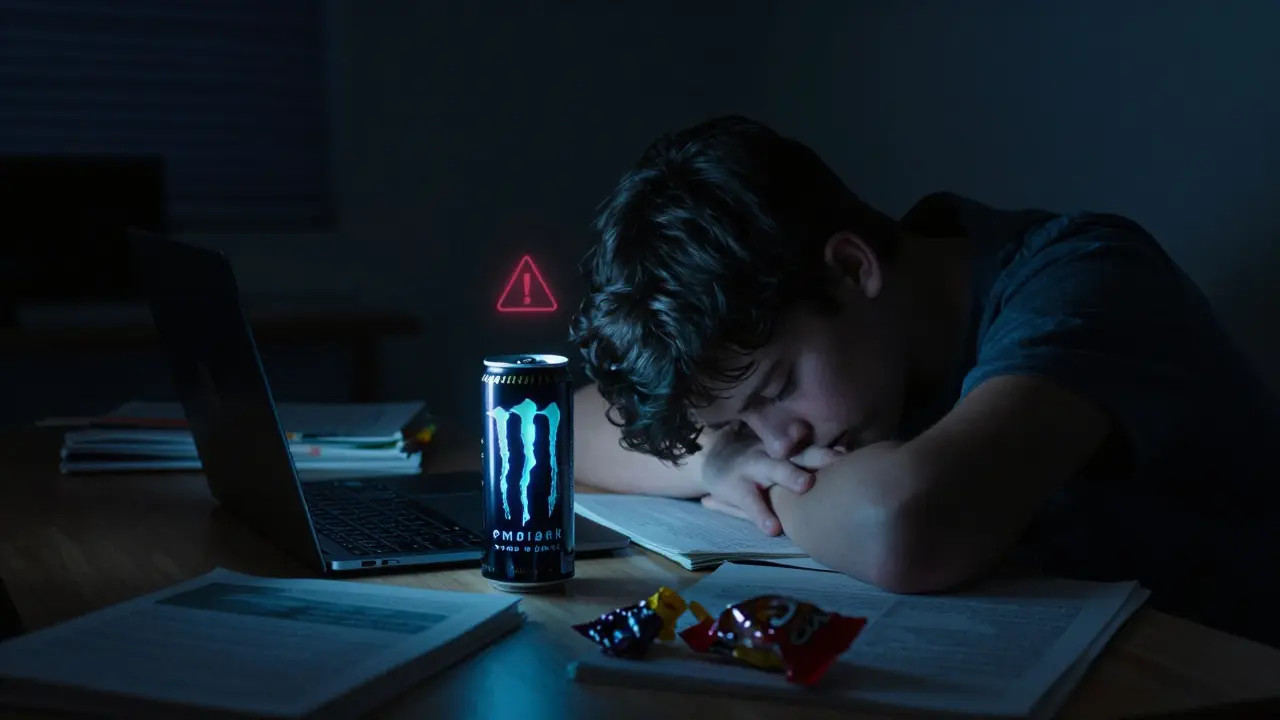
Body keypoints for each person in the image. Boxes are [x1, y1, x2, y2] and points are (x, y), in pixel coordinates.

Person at [567, 115, 1280, 647]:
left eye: (777, 390)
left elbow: (904, 526)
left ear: (852, 268)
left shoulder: (1087, 280)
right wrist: (718, 457)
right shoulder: (862, 345)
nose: (780, 440)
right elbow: (577, 426)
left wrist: (770, 487)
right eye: (740, 420)